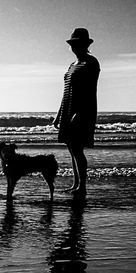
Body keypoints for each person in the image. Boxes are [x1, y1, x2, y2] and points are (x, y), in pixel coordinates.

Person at [52, 27, 100, 202]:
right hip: (68, 111)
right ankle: (75, 184)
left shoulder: (91, 63)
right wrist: (59, 115)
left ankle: (82, 187)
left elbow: (89, 91)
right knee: (72, 148)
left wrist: (80, 113)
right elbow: (66, 92)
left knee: (78, 149)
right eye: (72, 44)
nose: (74, 47)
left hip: (82, 111)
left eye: (77, 44)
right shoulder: (72, 65)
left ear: (85, 45)